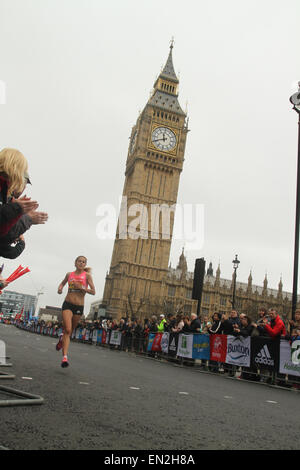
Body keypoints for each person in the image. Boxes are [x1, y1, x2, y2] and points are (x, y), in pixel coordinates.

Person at [56, 255, 96, 367]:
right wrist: (60, 289)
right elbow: (62, 283)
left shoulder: (87, 276)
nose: (81, 263)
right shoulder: (70, 274)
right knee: (68, 330)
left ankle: (61, 340)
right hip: (68, 304)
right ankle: (64, 357)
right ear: (75, 263)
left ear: (85, 264)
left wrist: (82, 288)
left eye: (84, 262)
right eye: (79, 261)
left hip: (79, 306)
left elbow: (93, 291)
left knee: (69, 332)